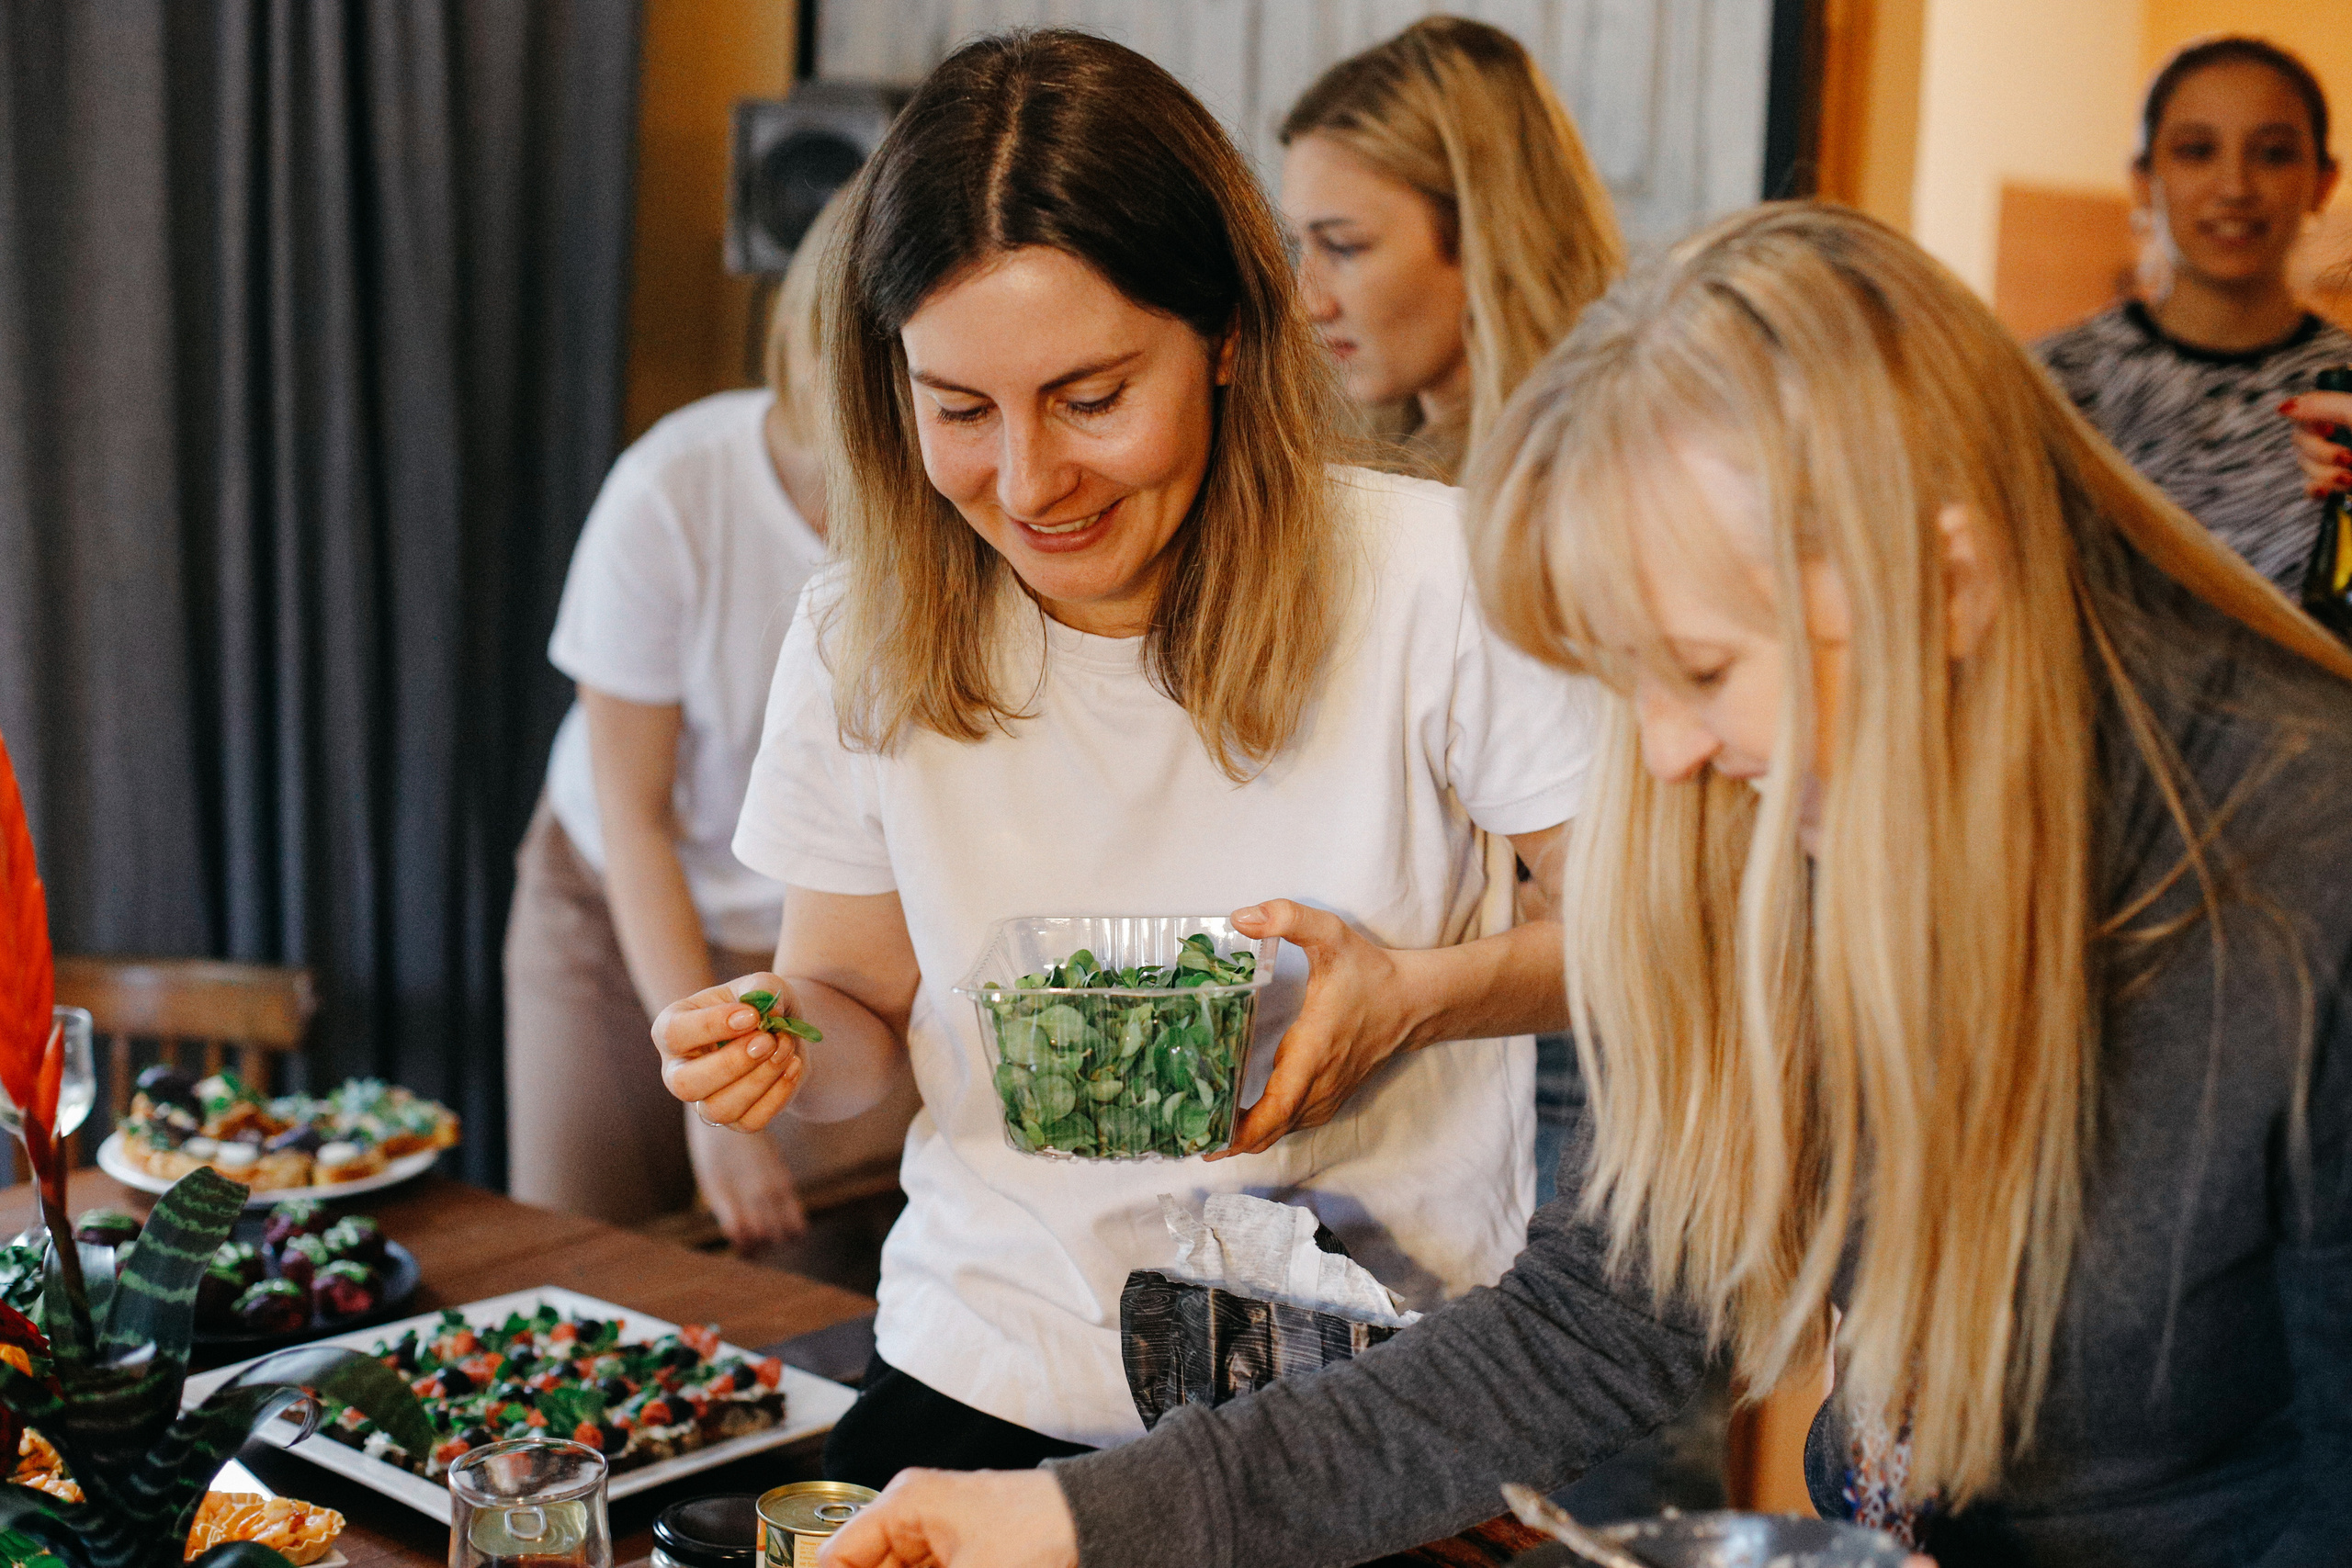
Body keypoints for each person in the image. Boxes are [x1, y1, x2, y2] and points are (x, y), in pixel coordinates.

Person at [819, 204, 2352, 1568]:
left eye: (1695, 671)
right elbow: (1611, 1312)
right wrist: (1081, 1522)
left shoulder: (2307, 885)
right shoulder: (1806, 795)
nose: (1668, 753)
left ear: (1945, 582)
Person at [649, 28, 1600, 1488]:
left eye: (1092, 398)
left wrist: (1418, 997)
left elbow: (1646, 941)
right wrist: (771, 1036)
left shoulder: (1433, 576)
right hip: (991, 1361)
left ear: (1227, 334)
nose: (1028, 483)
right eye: (958, 410)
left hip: (1353, 1395)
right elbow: (853, 1007)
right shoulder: (859, 630)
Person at [504, 196, 916, 1243]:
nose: (878, 413)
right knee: (582, 1243)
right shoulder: (672, 493)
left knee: (818, 1259)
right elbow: (634, 817)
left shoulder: (944, 514)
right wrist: (708, 1095)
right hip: (619, 895)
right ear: (790, 346)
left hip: (827, 926)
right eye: (848, 372)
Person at [2038, 36, 2347, 592]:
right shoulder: (2050, 387)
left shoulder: (2345, 393)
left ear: (2323, 182)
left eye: (2273, 154)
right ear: (2142, 179)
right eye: (2196, 150)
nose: (2234, 188)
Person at [1276, 15, 1622, 484]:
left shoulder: (1596, 477)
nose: (1307, 305)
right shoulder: (1357, 461)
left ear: (1486, 237)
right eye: (1300, 248)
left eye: (1343, 247)